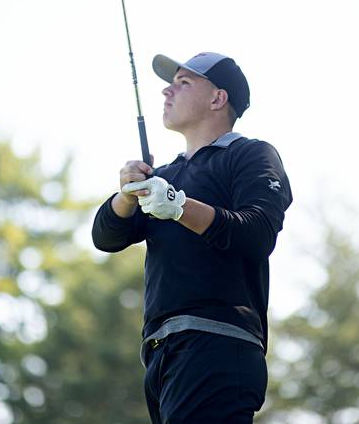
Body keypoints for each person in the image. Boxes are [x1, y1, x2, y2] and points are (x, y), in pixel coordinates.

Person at [91, 52, 292, 423]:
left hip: (218, 344)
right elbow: (105, 237)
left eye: (184, 83)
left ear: (218, 99)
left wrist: (179, 206)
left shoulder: (250, 154)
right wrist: (126, 194)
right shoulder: (166, 175)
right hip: (161, 354)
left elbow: (257, 233)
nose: (167, 90)